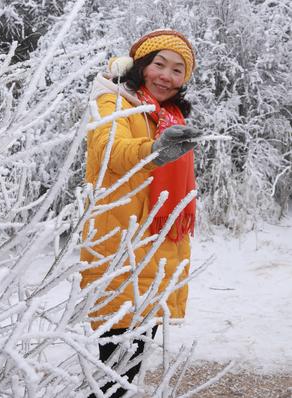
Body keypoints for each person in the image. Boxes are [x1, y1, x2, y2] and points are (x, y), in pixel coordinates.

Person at [80, 29, 201, 397]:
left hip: (154, 256)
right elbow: (109, 151)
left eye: (177, 70)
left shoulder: (169, 116)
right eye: (158, 64)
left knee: (125, 373)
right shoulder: (114, 102)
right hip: (120, 252)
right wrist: (153, 151)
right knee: (114, 376)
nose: (166, 75)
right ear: (140, 65)